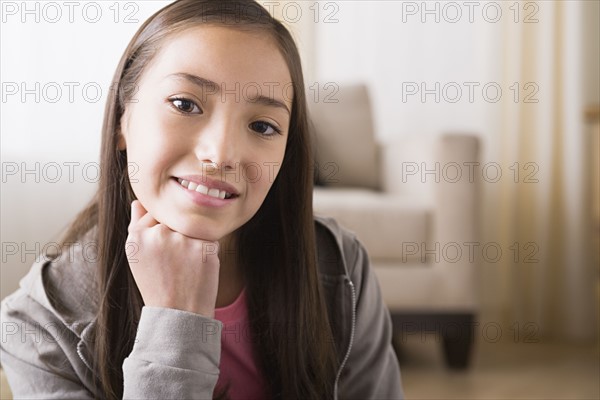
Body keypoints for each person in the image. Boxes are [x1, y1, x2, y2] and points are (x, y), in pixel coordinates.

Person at [0, 1, 403, 398]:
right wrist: (176, 322)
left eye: (263, 125)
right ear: (123, 118)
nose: (222, 154)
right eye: (185, 104)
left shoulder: (341, 267)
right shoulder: (38, 326)